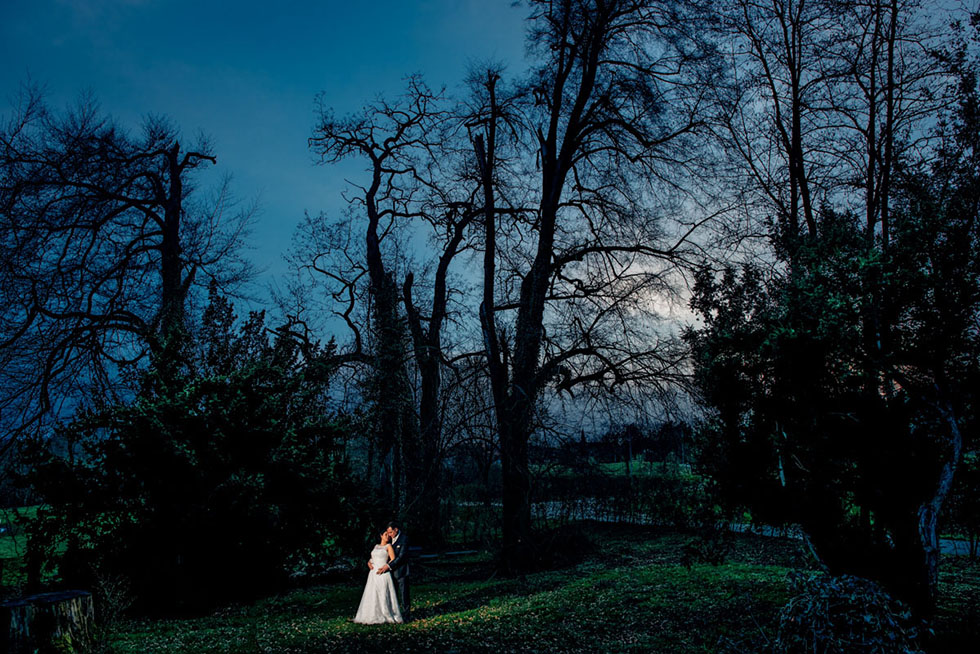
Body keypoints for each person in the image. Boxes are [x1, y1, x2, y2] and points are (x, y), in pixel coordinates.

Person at [353, 529, 403, 624]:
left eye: (389, 535)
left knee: (383, 593)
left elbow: (393, 559)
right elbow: (373, 558)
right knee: (372, 593)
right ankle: (371, 614)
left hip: (383, 572)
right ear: (381, 535)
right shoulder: (376, 546)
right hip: (373, 573)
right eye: (385, 534)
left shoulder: (388, 546)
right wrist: (369, 562)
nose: (387, 536)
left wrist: (386, 567)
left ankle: (386, 614)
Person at [372, 521, 410, 622]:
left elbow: (401, 557)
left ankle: (406, 616)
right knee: (392, 595)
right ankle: (393, 613)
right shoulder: (389, 541)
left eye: (390, 532)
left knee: (404, 594)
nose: (389, 535)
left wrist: (388, 566)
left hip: (401, 571)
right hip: (389, 574)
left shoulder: (404, 539)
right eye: (388, 533)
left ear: (396, 529)